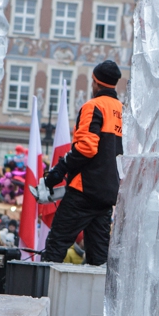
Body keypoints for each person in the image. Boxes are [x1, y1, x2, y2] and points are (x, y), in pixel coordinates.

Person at [42, 60, 123, 265]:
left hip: (84, 190)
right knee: (99, 258)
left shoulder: (93, 106)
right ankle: (98, 297)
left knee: (56, 245)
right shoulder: (123, 110)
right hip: (108, 194)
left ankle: (39, 296)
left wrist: (58, 171)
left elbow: (87, 147)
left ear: (95, 82)